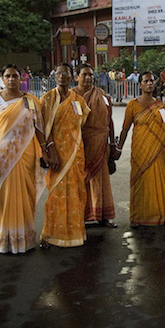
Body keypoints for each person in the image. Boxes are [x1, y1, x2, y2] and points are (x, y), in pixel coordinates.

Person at [0, 64, 48, 254]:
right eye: (7, 76)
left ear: (21, 79)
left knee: (25, 195)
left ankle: (23, 239)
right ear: (2, 79)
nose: (11, 79)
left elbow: (39, 128)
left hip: (26, 156)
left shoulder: (30, 101)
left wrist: (45, 150)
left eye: (15, 76)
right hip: (2, 157)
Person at [114, 72, 165, 227]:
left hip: (159, 151)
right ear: (140, 84)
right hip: (140, 150)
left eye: (152, 81)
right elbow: (125, 128)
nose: (149, 83)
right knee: (140, 181)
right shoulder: (133, 105)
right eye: (146, 81)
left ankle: (159, 214)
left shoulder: (160, 104)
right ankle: (138, 216)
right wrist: (119, 148)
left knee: (158, 181)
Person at [40, 63, 91, 247]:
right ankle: (52, 234)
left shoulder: (78, 100)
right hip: (57, 155)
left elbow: (81, 124)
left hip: (76, 154)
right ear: (55, 76)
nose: (62, 76)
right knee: (56, 193)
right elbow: (43, 128)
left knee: (76, 192)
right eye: (59, 73)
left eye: (66, 73)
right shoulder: (47, 99)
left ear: (72, 77)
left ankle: (75, 232)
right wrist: (48, 150)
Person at [71, 63, 118, 228]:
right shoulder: (71, 96)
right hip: (79, 145)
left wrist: (113, 144)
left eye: (91, 74)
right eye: (84, 74)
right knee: (80, 181)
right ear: (77, 77)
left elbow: (109, 120)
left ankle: (103, 216)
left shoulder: (102, 95)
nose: (88, 78)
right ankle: (80, 216)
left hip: (100, 144)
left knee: (100, 180)